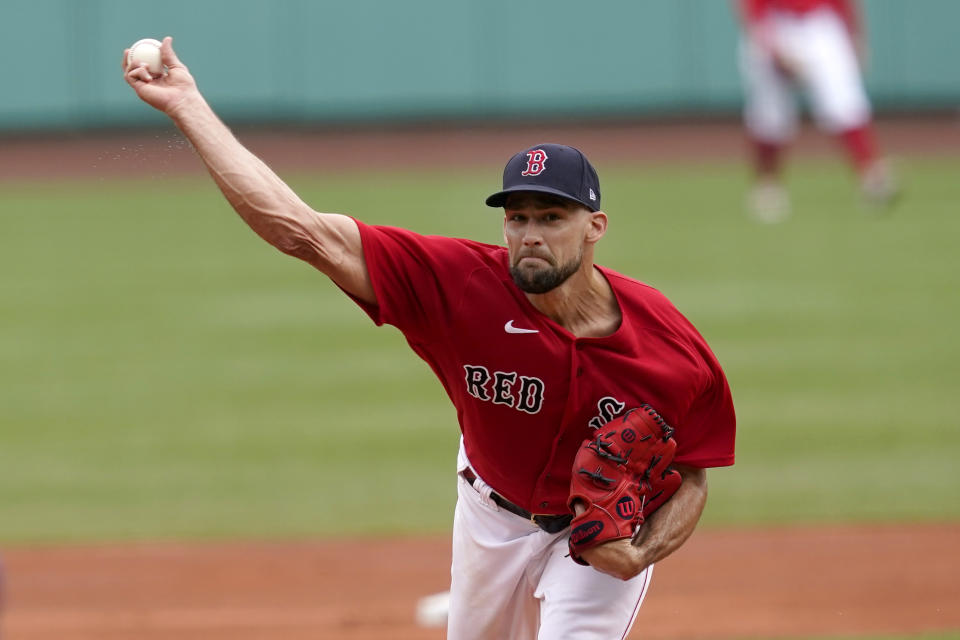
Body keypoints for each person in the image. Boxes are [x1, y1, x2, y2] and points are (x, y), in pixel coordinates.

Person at [123, 38, 736, 639]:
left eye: (552, 217)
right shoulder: (459, 285)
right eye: (518, 217)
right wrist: (187, 106)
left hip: (594, 545)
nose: (530, 234)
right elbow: (302, 231)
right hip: (488, 521)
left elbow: (694, 473)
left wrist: (640, 553)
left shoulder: (668, 346)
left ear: (595, 226)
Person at [736, 0, 899, 222]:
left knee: (845, 101)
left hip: (819, 23)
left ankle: (872, 177)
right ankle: (767, 186)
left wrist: (854, 33)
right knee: (770, 114)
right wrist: (771, 45)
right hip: (774, 22)